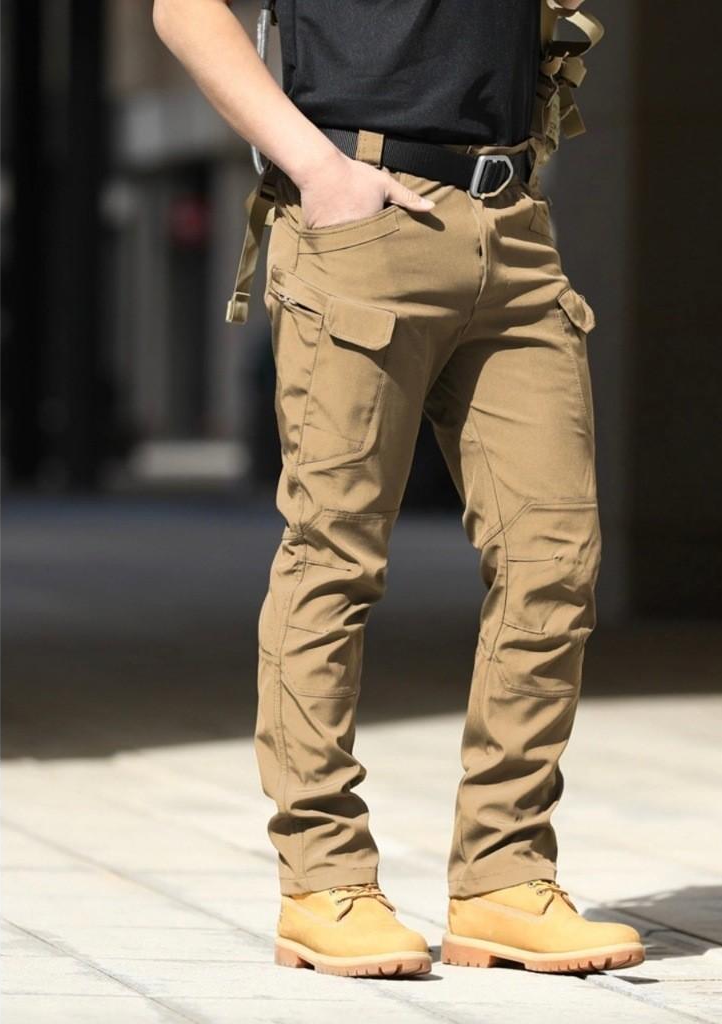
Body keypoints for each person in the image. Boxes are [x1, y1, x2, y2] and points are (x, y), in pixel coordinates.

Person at [153, 0, 644, 979]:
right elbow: (182, 8)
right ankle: (324, 879)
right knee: (334, 557)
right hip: (361, 215)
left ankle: (504, 874)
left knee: (555, 560)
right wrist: (317, 170)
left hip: (512, 223)